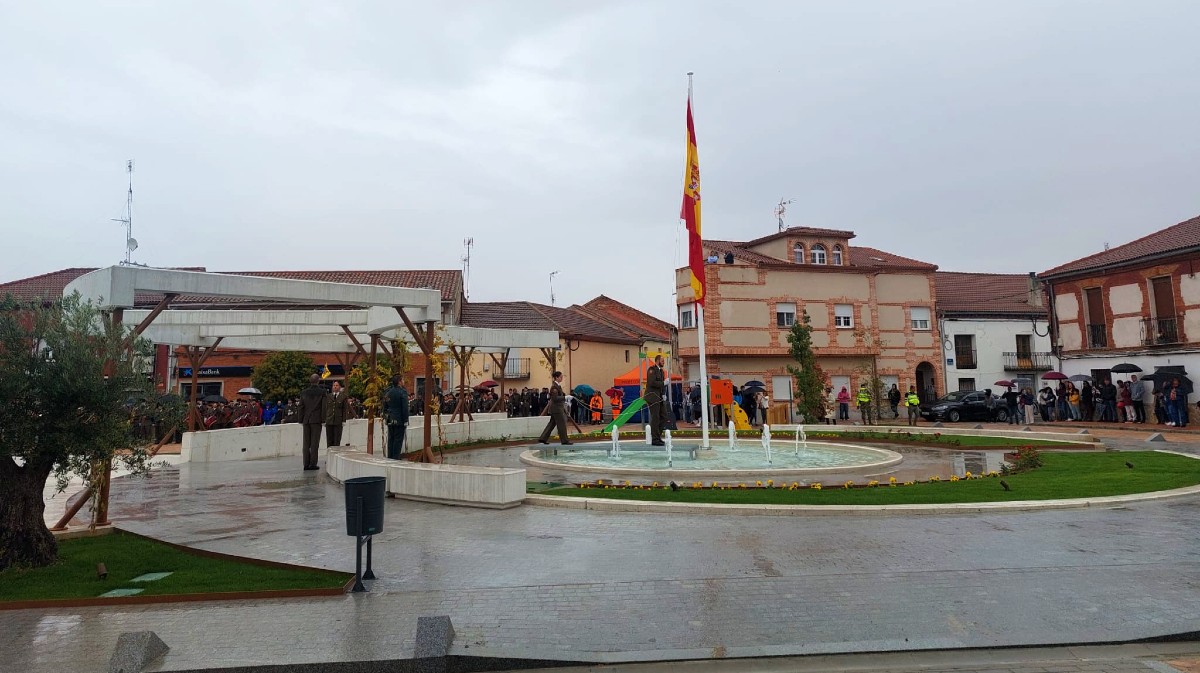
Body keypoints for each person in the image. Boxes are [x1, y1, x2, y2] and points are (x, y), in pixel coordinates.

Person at [298, 374, 329, 471]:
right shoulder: (322, 392)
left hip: (306, 420)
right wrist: (323, 419)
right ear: (318, 381)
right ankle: (313, 464)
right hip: (316, 420)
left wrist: (301, 419)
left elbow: (301, 407)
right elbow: (324, 407)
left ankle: (306, 464)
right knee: (314, 443)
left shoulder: (304, 392)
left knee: (306, 443)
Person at [537, 371, 573, 445]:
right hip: (557, 409)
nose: (562, 378)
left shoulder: (558, 386)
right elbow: (555, 398)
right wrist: (565, 397)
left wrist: (566, 401)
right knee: (561, 424)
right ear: (556, 377)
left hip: (557, 408)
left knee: (551, 424)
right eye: (560, 377)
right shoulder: (554, 387)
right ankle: (564, 441)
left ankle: (543, 438)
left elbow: (558, 397)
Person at [643, 355, 669, 445]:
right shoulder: (652, 370)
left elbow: (661, 386)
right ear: (657, 361)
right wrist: (663, 383)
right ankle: (655, 439)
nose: (663, 362)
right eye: (662, 361)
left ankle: (657, 436)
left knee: (664, 416)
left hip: (659, 397)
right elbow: (651, 382)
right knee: (655, 417)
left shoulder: (661, 371)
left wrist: (663, 394)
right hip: (652, 397)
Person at [384, 375, 410, 459]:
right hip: (399, 419)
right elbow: (405, 407)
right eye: (402, 380)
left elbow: (385, 406)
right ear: (399, 381)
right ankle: (395, 458)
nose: (403, 382)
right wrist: (406, 419)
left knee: (391, 438)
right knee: (398, 440)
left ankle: (390, 456)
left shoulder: (388, 392)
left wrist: (386, 417)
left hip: (390, 418)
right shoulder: (402, 392)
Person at [325, 381, 352, 447]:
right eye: (334, 385)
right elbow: (326, 408)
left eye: (337, 385)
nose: (335, 387)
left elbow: (344, 409)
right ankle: (329, 455)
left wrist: (343, 420)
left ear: (339, 387)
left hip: (338, 421)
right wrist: (324, 419)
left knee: (337, 440)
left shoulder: (343, 397)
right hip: (329, 420)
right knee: (329, 440)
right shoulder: (328, 396)